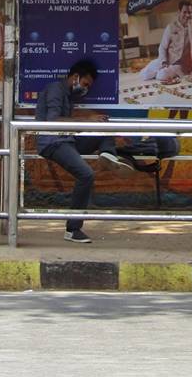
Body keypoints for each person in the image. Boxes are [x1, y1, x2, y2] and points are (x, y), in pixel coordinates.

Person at [35, 58, 138, 243]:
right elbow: (52, 121)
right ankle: (73, 230)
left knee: (105, 127)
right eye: (85, 84)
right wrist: (87, 120)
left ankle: (108, 155)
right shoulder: (55, 90)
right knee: (86, 175)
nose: (86, 89)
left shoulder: (68, 94)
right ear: (75, 77)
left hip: (68, 139)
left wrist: (92, 120)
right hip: (53, 142)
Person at [140, 0, 192, 82]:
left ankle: (164, 72)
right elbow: (162, 47)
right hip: (167, 59)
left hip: (179, 64)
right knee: (144, 75)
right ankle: (160, 70)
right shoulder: (171, 27)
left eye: (189, 12)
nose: (187, 15)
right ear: (179, 12)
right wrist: (163, 62)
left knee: (161, 76)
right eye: (184, 12)